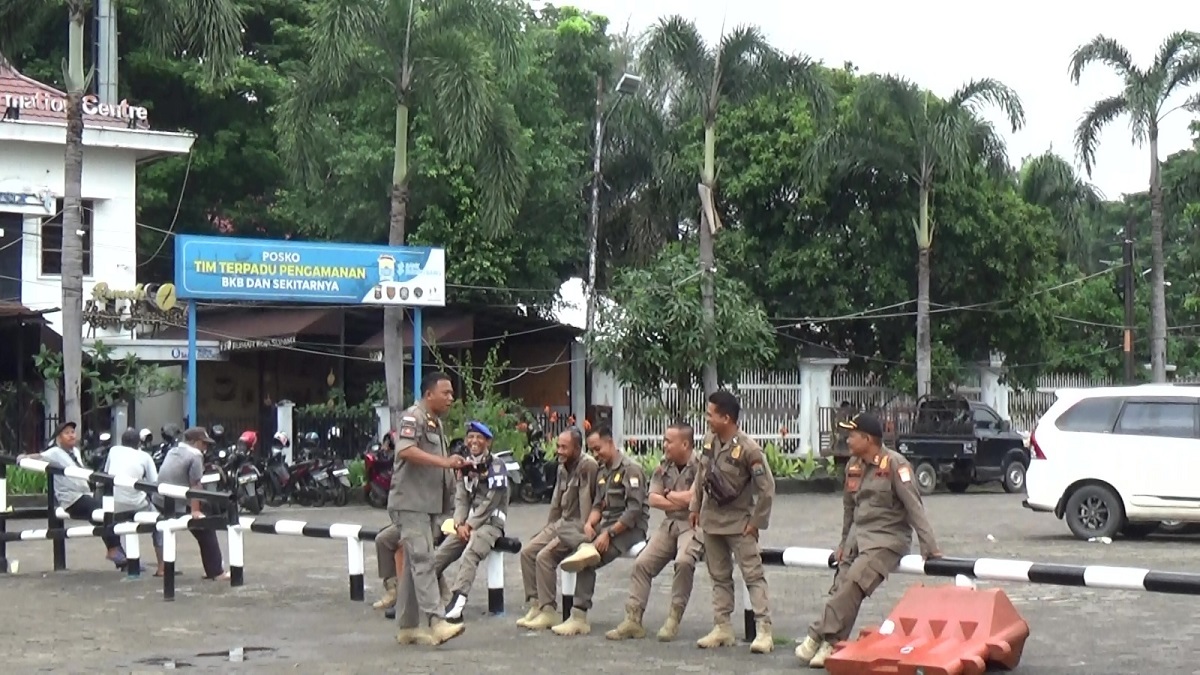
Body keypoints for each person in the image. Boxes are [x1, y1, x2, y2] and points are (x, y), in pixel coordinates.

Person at [796, 412, 943, 668]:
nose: (848, 439)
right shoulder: (854, 465)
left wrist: (929, 546)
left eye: (852, 435)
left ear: (867, 438)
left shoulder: (896, 464)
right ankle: (834, 642)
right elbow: (848, 509)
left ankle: (817, 634)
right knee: (842, 585)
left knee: (854, 583)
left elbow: (914, 507)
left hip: (887, 539)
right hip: (857, 537)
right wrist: (843, 543)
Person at [689, 390, 776, 653]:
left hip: (739, 522)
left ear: (726, 418)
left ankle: (764, 630)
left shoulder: (749, 449)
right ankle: (722, 626)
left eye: (710, 414)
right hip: (711, 521)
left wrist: (756, 523)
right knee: (719, 576)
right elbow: (700, 475)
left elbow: (767, 488)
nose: (707, 419)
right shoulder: (709, 441)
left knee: (753, 575)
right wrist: (695, 506)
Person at [387, 371, 469, 647]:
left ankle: (408, 626)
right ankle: (436, 621)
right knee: (423, 560)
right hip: (410, 503)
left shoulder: (435, 423)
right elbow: (405, 450)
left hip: (427, 505)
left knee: (413, 565)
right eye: (445, 393)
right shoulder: (414, 416)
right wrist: (444, 462)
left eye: (451, 394)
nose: (450, 398)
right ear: (429, 394)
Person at [547, 426, 649, 637]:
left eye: (598, 448)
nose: (595, 454)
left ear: (610, 442)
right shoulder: (603, 471)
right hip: (606, 525)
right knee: (565, 530)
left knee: (588, 560)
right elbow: (598, 505)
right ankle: (585, 545)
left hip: (629, 530)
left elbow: (634, 511)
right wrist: (590, 524)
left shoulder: (631, 469)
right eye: (592, 450)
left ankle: (578, 617)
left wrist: (608, 534)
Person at [607, 422, 702, 642]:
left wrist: (672, 496)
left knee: (684, 561)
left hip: (693, 524)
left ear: (685, 444)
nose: (664, 445)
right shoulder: (664, 465)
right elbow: (653, 498)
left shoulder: (701, 466)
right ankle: (633, 618)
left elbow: (695, 498)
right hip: (670, 525)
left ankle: (673, 618)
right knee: (642, 564)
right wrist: (679, 500)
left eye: (669, 441)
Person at [515, 427, 598, 630]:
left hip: (578, 525)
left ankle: (548, 610)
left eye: (564, 447)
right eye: (558, 446)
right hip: (561, 522)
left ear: (577, 448)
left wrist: (585, 536)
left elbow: (588, 502)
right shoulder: (562, 467)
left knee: (544, 557)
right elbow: (556, 503)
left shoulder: (588, 466)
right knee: (527, 552)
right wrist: (547, 529)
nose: (559, 451)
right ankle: (535, 604)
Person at [18, 421, 126, 568]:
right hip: (71, 499)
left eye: (72, 432)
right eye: (66, 433)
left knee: (105, 515)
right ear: (59, 438)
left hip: (85, 495)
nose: (71, 436)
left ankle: (119, 555)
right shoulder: (54, 452)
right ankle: (116, 551)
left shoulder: (75, 451)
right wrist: (22, 458)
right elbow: (39, 456)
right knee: (103, 512)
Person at [434, 421, 509, 622]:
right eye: (471, 437)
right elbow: (461, 498)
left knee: (470, 553)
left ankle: (457, 605)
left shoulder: (497, 466)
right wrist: (459, 523)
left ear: (488, 442)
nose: (474, 441)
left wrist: (470, 524)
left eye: (479, 437)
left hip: (491, 525)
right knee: (437, 558)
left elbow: (491, 501)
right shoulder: (466, 466)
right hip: (468, 525)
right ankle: (433, 601)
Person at [154, 426, 230, 581]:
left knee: (203, 527)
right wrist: (195, 511)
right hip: (176, 503)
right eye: (204, 443)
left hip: (159, 500)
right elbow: (195, 485)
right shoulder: (195, 456)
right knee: (206, 528)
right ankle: (216, 571)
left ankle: (212, 569)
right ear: (195, 442)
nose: (206, 447)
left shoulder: (173, 451)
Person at [105, 427, 164, 575]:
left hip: (114, 504)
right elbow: (154, 483)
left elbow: (107, 473)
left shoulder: (113, 451)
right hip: (136, 504)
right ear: (139, 443)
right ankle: (163, 566)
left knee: (125, 525)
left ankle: (129, 559)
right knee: (161, 524)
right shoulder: (144, 457)